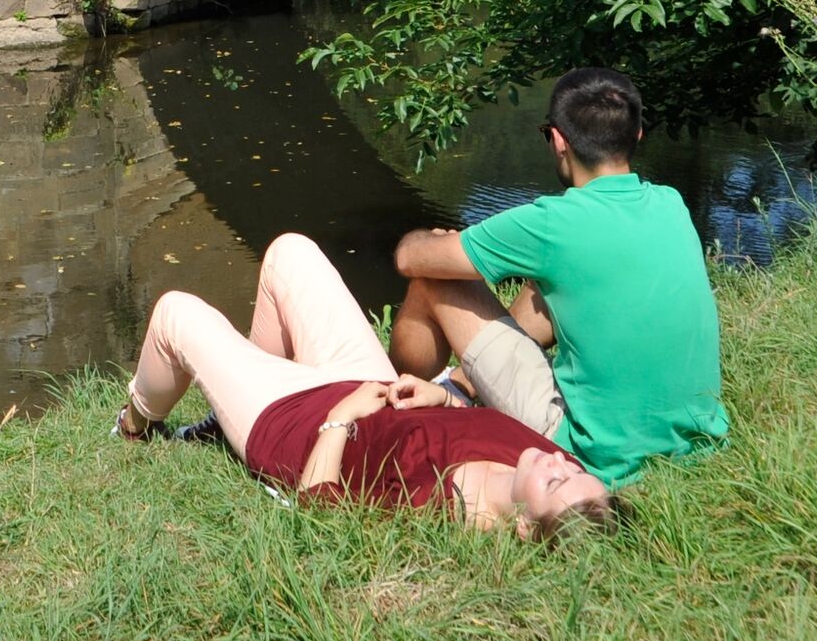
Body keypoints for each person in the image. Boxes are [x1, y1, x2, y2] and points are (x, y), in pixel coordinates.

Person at [116, 232, 613, 537]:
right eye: (570, 468)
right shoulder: (535, 455)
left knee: (175, 314)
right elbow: (467, 429)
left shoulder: (439, 510)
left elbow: (318, 509)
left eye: (555, 482)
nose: (556, 462)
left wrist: (341, 419)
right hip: (368, 383)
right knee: (291, 252)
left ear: (523, 526)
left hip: (293, 423)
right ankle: (228, 414)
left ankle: (134, 425)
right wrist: (444, 397)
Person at [389, 67, 730, 489]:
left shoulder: (553, 224)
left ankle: (395, 393)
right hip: (697, 446)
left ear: (558, 140)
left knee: (433, 279)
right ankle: (459, 385)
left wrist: (435, 242)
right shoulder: (670, 204)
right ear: (638, 134)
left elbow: (409, 259)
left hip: (592, 456)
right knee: (553, 284)